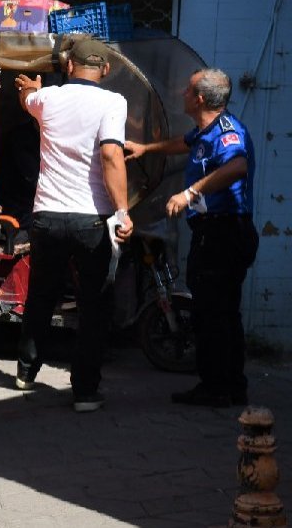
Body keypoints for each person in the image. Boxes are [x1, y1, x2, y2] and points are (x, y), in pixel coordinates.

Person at [13, 37, 133, 413]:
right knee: (93, 304)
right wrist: (123, 211)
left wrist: (30, 89)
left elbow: (27, 99)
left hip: (47, 216)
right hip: (90, 219)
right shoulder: (113, 102)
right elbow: (111, 154)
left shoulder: (48, 98)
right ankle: (84, 391)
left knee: (41, 294)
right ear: (106, 70)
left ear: (69, 66)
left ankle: (26, 372)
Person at [125, 68, 258, 407]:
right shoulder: (204, 130)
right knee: (221, 312)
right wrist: (147, 149)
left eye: (188, 89)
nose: (182, 93)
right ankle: (230, 385)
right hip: (214, 232)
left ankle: (217, 388)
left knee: (213, 314)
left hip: (224, 233)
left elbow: (237, 166)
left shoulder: (228, 132)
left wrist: (189, 193)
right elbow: (183, 144)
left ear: (199, 99)